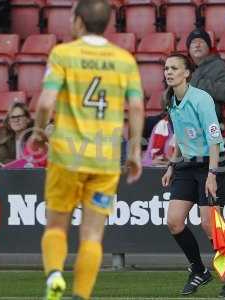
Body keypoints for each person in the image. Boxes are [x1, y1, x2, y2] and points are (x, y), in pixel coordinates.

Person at [28, 0, 144, 299]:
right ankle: (81, 295)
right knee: (92, 235)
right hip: (104, 159)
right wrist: (133, 151)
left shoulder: (63, 54)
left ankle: (54, 275)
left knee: (56, 225)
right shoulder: (124, 59)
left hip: (67, 155)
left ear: (78, 21)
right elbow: (136, 106)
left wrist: (39, 133)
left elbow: (44, 103)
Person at [161, 53, 225, 297]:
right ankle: (198, 270)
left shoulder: (202, 99)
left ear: (187, 73)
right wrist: (171, 166)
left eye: (174, 68)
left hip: (212, 163)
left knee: (211, 225)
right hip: (187, 165)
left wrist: (212, 174)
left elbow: (214, 139)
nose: (169, 72)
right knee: (174, 222)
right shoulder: (171, 100)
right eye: (166, 68)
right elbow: (181, 137)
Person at [186, 28, 225, 128]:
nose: (197, 45)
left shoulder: (221, 67)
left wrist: (198, 84)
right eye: (193, 42)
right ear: (188, 49)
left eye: (201, 42)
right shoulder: (183, 67)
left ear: (209, 47)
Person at [0, 102, 33, 166]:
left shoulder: (35, 134)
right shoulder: (2, 136)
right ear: (9, 121)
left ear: (27, 119)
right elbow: (3, 161)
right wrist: (26, 163)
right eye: (12, 117)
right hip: (10, 174)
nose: (16, 120)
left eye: (19, 116)